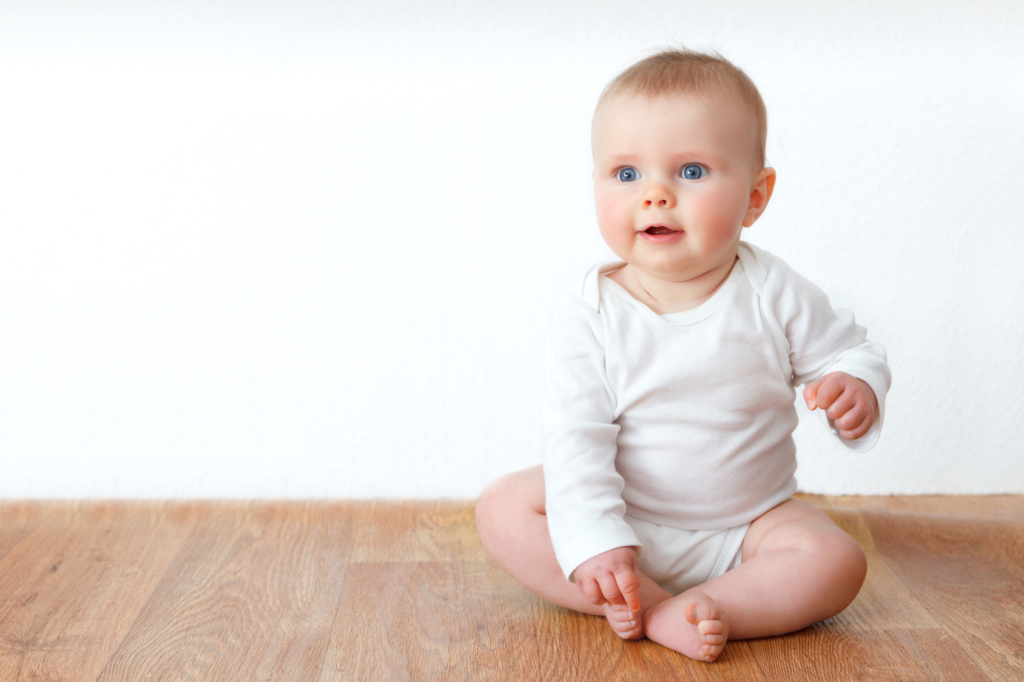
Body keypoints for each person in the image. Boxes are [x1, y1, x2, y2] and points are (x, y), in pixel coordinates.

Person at [475, 48, 892, 663]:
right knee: (504, 508)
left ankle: (705, 604)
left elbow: (851, 349)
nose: (656, 195)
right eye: (626, 175)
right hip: (627, 517)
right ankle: (637, 595)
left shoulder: (771, 289)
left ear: (755, 196)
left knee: (836, 561)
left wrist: (854, 385)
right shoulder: (590, 312)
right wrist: (593, 539)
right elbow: (575, 438)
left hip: (751, 526)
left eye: (691, 172)